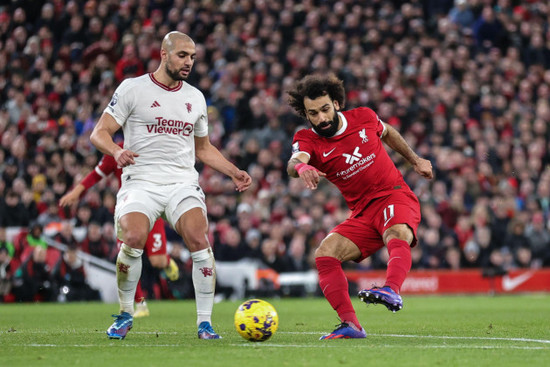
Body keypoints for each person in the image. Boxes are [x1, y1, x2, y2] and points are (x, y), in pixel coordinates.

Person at [89, 31, 252, 340]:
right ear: (164, 54)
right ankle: (126, 313)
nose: (188, 61)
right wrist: (116, 151)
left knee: (197, 237)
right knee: (134, 237)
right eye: (182, 55)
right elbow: (99, 132)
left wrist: (233, 171)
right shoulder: (132, 89)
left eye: (192, 56)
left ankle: (205, 323)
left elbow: (202, 149)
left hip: (181, 183)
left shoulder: (195, 97)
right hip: (141, 181)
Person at [286, 74, 433, 340]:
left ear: (337, 103)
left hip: (393, 195)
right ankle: (351, 324)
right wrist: (302, 166)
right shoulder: (307, 138)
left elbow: (387, 132)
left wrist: (415, 159)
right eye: (313, 113)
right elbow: (294, 161)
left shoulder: (363, 117)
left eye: (325, 109)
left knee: (397, 232)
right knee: (325, 254)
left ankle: (391, 289)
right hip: (362, 213)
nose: (320, 118)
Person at [59, 141, 181, 318]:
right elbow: (96, 174)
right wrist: (77, 191)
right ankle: (140, 305)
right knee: (126, 258)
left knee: (157, 262)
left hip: (153, 210)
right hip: (127, 210)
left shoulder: (153, 144)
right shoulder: (116, 149)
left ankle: (167, 261)